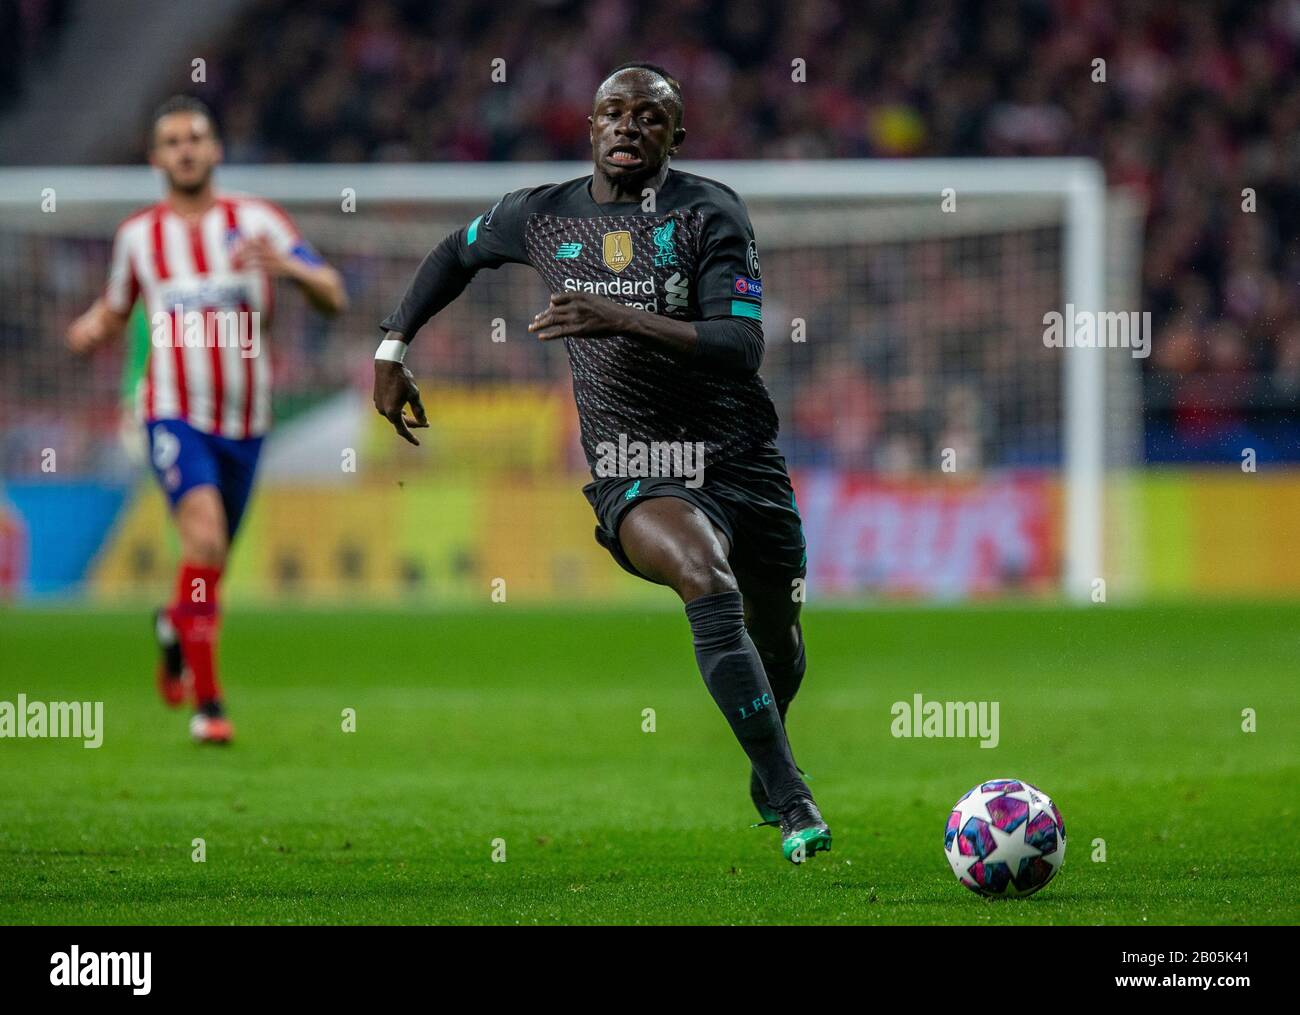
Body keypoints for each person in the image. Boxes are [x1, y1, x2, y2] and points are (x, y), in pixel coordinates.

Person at [374, 64, 828, 863]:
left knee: (778, 634)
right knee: (704, 577)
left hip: (741, 460)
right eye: (612, 114)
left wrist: (616, 315)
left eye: (649, 117)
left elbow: (740, 345)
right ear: (589, 128)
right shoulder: (541, 215)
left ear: (674, 135)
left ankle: (768, 757)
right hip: (634, 462)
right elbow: (457, 250)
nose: (628, 127)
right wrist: (393, 344)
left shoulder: (709, 211)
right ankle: (793, 799)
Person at [67, 96, 347, 743]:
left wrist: (291, 270)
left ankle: (174, 625)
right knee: (205, 542)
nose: (186, 149)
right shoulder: (138, 237)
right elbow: (116, 308)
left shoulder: (258, 222)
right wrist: (90, 328)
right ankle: (209, 703)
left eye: (197, 137)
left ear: (216, 150)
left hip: (247, 422)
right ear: (156, 157)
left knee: (209, 563)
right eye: (172, 141)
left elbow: (332, 293)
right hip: (172, 412)